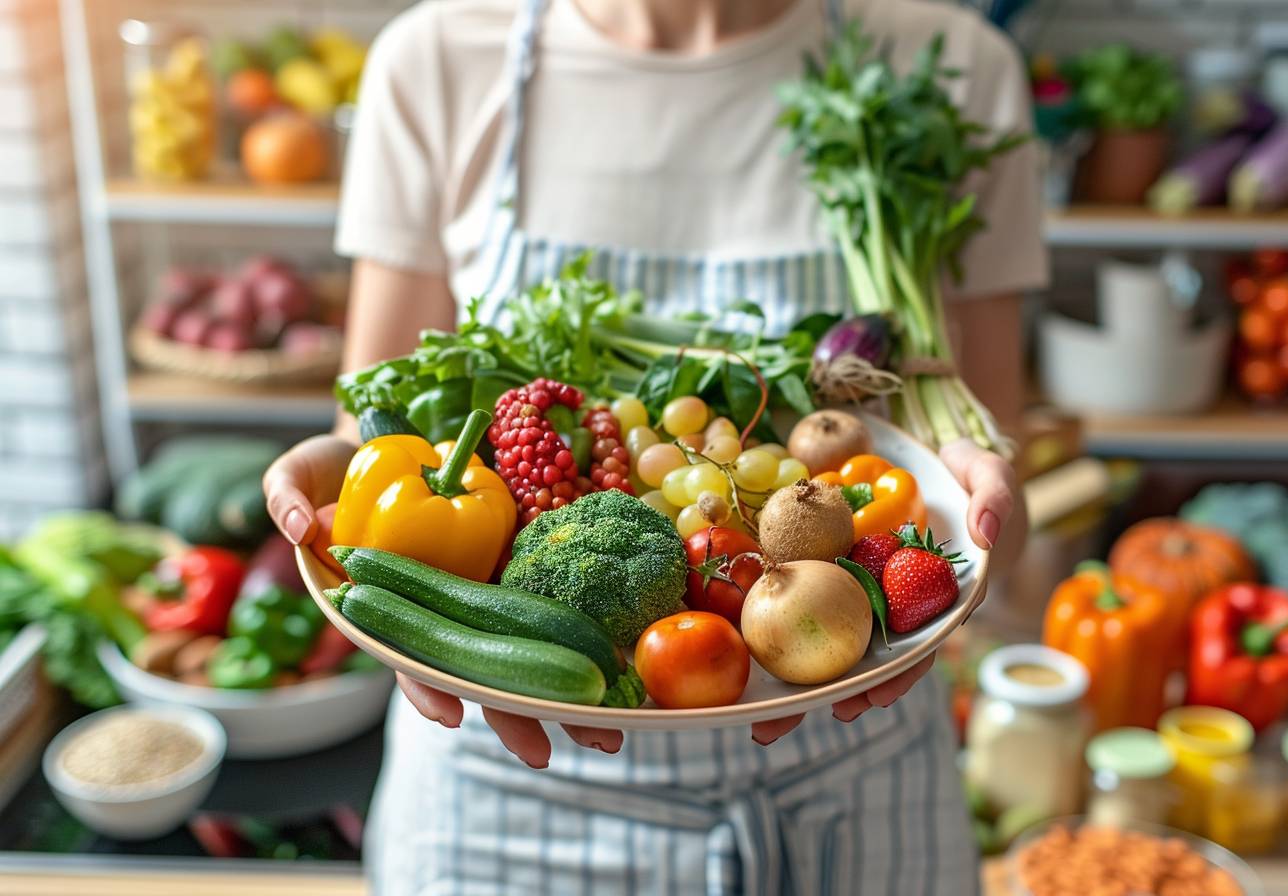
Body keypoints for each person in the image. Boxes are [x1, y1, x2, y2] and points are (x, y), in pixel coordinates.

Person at [263, 0, 1046, 891]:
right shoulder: (437, 60)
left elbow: (993, 520)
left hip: (857, 763)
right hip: (505, 782)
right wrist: (345, 509)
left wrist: (979, 530)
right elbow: (378, 424)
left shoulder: (950, 67)